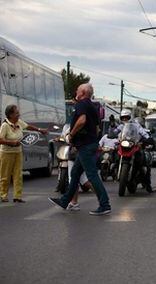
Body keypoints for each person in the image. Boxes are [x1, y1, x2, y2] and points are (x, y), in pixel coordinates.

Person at [49, 83, 111, 216]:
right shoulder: (93, 107)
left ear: (82, 92)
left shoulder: (81, 104)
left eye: (77, 89)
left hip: (85, 146)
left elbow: (82, 120)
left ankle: (105, 204)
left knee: (92, 175)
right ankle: (65, 201)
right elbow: (97, 128)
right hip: (89, 144)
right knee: (75, 174)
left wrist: (71, 134)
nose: (76, 91)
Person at [0, 104, 48, 202]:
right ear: (10, 115)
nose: (18, 114)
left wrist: (39, 130)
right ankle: (3, 195)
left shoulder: (19, 122)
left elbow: (28, 126)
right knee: (5, 175)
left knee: (18, 175)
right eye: (16, 113)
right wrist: (11, 142)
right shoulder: (5, 125)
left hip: (18, 152)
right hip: (6, 153)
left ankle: (17, 196)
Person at [113, 109, 153, 192]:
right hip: (124, 144)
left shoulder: (136, 125)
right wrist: (113, 132)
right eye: (123, 118)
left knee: (142, 161)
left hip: (134, 145)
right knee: (115, 154)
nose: (125, 119)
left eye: (126, 117)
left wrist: (148, 138)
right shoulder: (121, 126)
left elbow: (142, 132)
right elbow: (116, 131)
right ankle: (115, 170)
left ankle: (147, 183)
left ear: (130, 117)